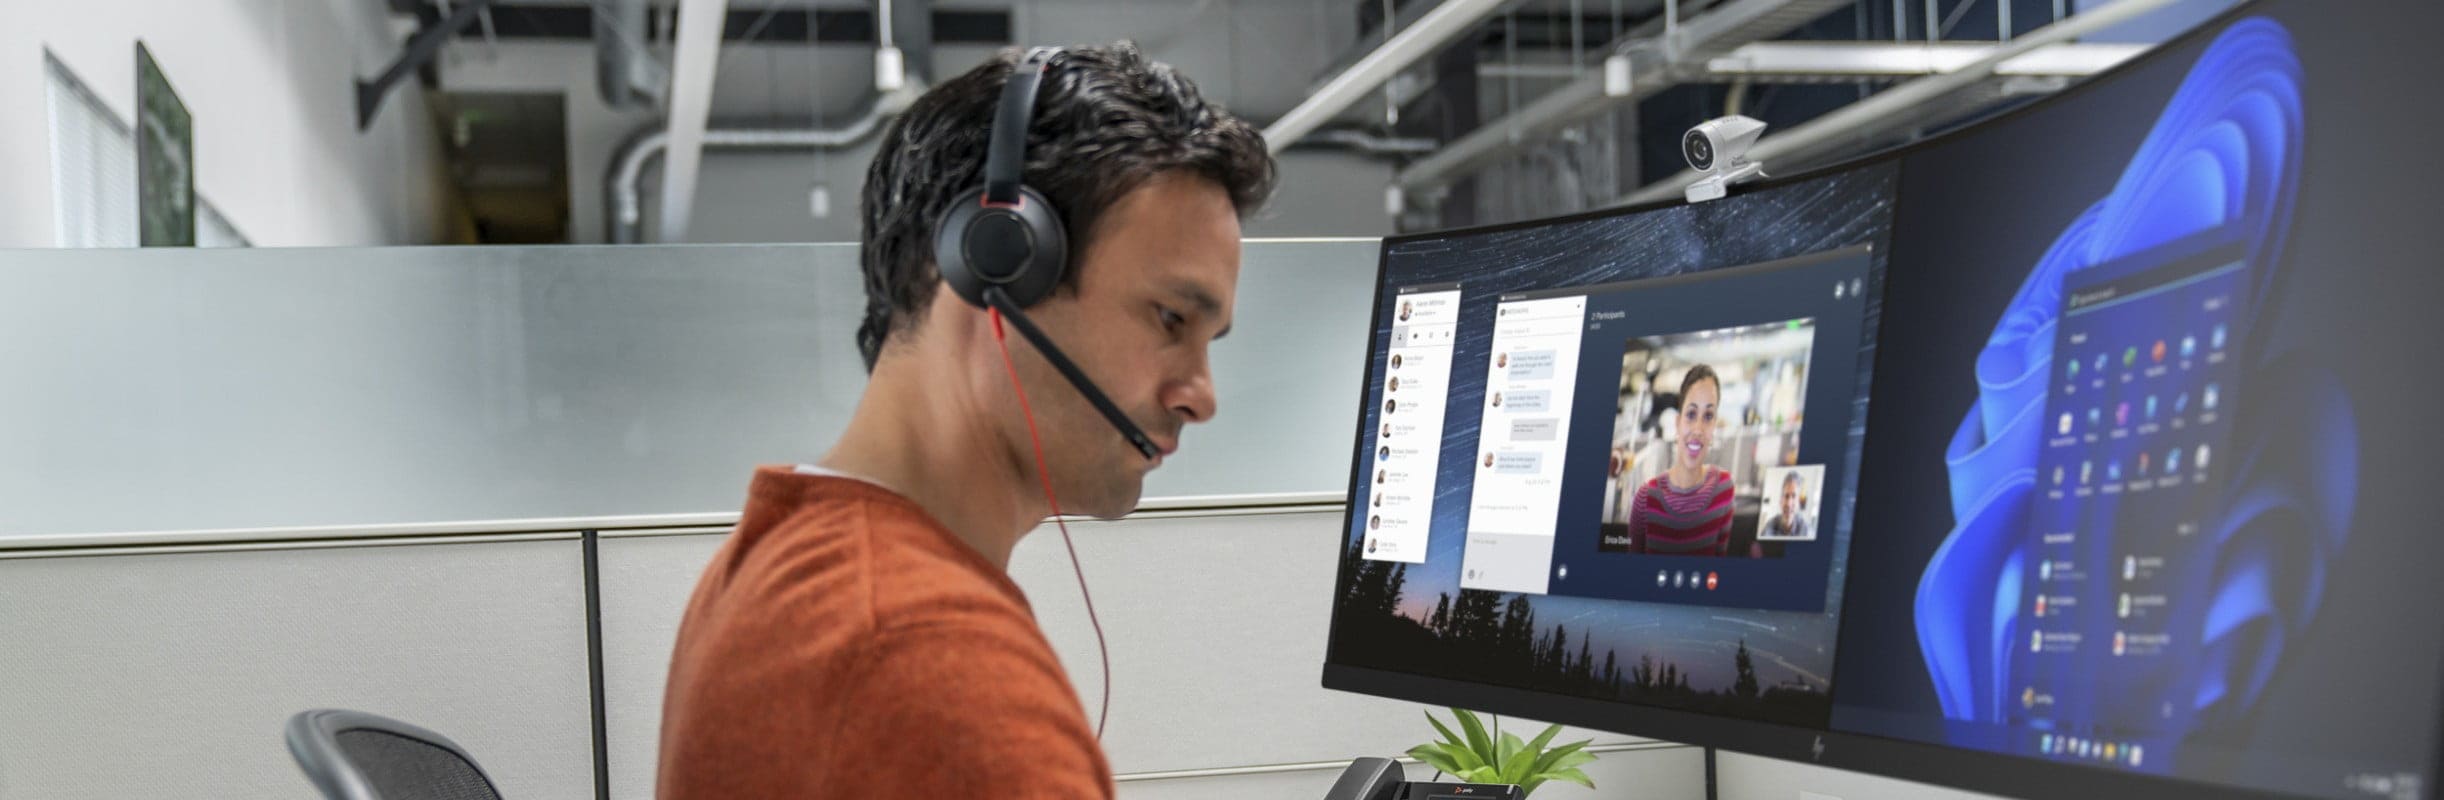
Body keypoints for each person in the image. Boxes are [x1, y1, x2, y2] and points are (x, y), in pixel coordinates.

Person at [657, 44, 1274, 799]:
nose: (1201, 396)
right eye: (1171, 318)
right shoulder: (928, 665)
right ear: (995, 263)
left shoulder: (777, 563)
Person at [1625, 365, 1735, 555]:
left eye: (1708, 416)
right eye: (1691, 414)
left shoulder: (1724, 488)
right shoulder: (1645, 499)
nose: (1698, 429)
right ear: (1677, 422)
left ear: (1715, 425)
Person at [1762, 471, 1814, 542]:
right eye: (1786, 496)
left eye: (1794, 496)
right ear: (1780, 501)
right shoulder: (1769, 527)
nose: (1789, 504)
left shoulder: (1807, 531)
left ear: (1799, 503)